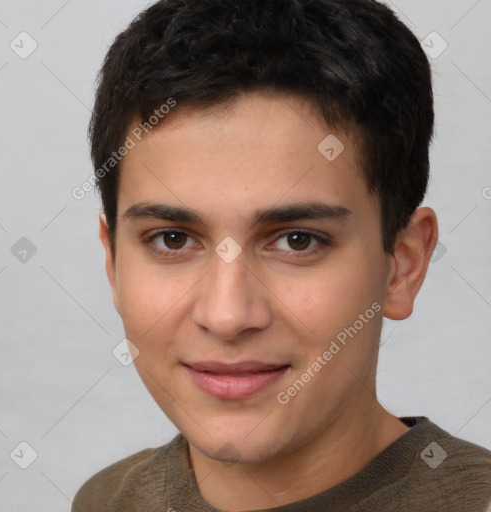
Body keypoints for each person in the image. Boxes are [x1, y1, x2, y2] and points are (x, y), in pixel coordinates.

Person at [72, 0, 491, 510]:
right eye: (173, 239)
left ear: (402, 266)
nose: (227, 316)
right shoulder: (107, 500)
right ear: (114, 264)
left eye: (298, 240)